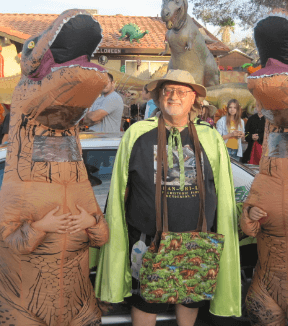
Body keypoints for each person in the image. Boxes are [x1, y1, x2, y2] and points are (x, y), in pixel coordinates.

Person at [95, 69, 242, 325]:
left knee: (190, 300)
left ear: (193, 98)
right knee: (147, 302)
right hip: (148, 241)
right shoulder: (138, 134)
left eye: (181, 91)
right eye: (167, 90)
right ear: (160, 96)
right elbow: (121, 188)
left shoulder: (210, 138)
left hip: (196, 240)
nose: (173, 96)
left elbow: (222, 193)